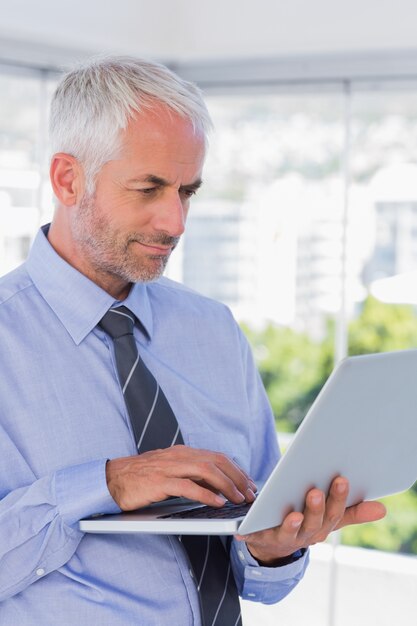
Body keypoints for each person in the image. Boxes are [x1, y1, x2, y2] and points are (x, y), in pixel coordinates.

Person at [0, 56, 385, 625]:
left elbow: (258, 569)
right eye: (149, 188)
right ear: (67, 178)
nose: (175, 221)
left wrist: (273, 547)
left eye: (187, 191)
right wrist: (106, 482)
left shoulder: (213, 331)